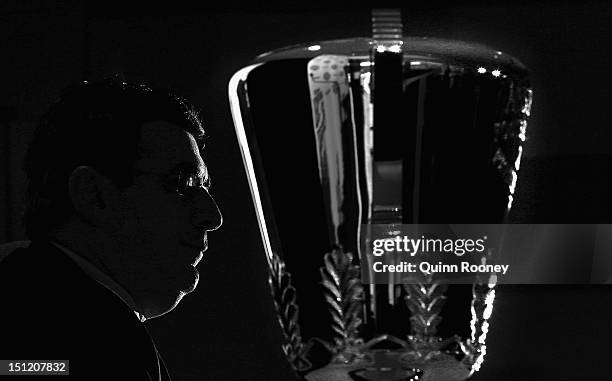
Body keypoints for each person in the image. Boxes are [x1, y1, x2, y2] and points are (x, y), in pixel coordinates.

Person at [0, 79, 222, 380]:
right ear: (93, 195)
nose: (213, 216)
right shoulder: (64, 336)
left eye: (205, 189)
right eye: (182, 183)